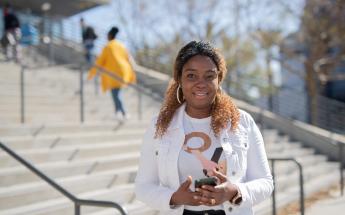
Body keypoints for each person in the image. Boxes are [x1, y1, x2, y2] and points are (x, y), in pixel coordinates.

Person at [135, 41, 273, 215]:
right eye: (191, 76)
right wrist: (175, 197)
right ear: (179, 79)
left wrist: (233, 192)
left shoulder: (242, 122)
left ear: (219, 79)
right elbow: (143, 187)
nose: (201, 83)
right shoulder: (160, 126)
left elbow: (265, 182)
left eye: (209, 76)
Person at [88, 26, 136, 120]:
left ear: (110, 36)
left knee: (116, 94)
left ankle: (124, 113)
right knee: (116, 93)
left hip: (114, 73)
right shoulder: (121, 45)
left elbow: (100, 61)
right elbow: (129, 59)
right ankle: (117, 112)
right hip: (123, 72)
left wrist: (91, 74)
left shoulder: (108, 46)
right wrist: (132, 75)